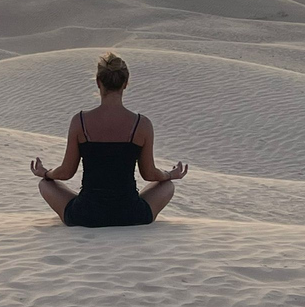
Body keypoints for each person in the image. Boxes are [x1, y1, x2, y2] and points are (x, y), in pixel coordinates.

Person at [30, 52, 188, 227]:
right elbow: (149, 174)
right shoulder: (141, 124)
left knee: (45, 184)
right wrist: (170, 175)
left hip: (86, 215)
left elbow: (66, 172)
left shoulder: (80, 121)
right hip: (131, 215)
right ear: (125, 84)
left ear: (98, 82)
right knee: (168, 186)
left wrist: (45, 173)